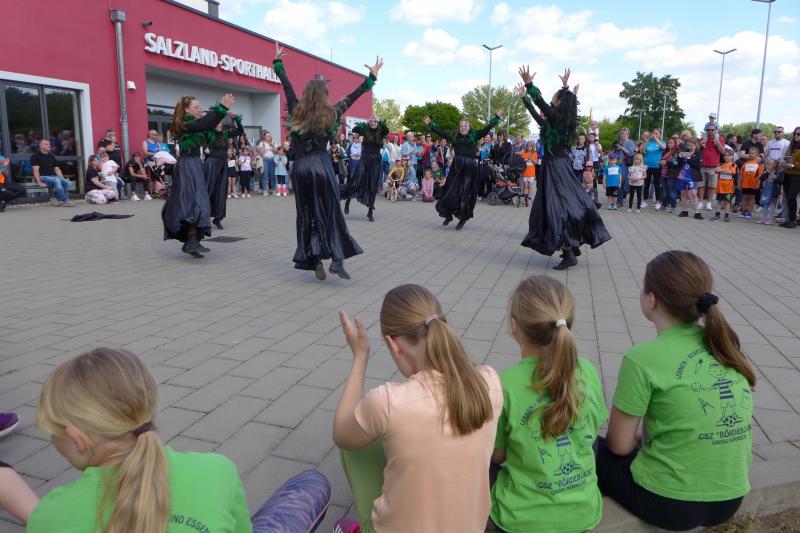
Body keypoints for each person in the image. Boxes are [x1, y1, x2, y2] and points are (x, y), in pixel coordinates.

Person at [27, 347, 332, 533]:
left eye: (51, 432)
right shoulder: (216, 470)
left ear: (76, 439)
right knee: (311, 484)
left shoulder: (50, 515)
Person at [598, 251, 756, 531]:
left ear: (651, 299)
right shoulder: (723, 345)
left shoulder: (642, 358)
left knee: (590, 447)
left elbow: (618, 446)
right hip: (730, 499)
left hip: (670, 504)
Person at [333, 284, 503, 533]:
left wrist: (360, 357)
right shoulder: (490, 380)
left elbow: (341, 434)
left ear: (393, 344)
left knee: (354, 444)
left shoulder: (388, 401)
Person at [490, 276, 607, 533]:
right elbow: (592, 431)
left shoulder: (506, 384)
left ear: (514, 326)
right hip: (583, 513)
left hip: (521, 520)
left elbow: (498, 455)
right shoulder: (587, 370)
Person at [273, 44, 381, 280]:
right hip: (321, 167)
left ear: (306, 95)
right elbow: (353, 96)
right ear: (324, 96)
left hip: (301, 169)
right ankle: (337, 259)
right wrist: (372, 77)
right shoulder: (331, 113)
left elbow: (286, 86)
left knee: (306, 213)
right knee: (331, 211)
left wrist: (278, 63)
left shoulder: (296, 110)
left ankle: (313, 259)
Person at [517, 67, 611, 269]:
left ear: (560, 102)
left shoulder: (559, 120)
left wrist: (530, 85)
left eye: (555, 97)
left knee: (555, 208)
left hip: (556, 167)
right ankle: (571, 245)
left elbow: (541, 103)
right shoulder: (557, 121)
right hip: (555, 166)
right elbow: (539, 115)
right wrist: (526, 98)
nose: (551, 99)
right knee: (558, 206)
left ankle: (569, 252)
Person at [162, 93, 234, 258]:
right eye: (196, 107)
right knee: (193, 202)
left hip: (195, 164)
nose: (199, 109)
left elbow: (208, 125)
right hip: (187, 166)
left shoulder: (195, 124)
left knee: (197, 202)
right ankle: (191, 240)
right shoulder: (182, 124)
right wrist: (222, 107)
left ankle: (192, 240)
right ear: (186, 110)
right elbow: (206, 123)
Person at [424, 111, 501, 230]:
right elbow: (442, 133)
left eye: (465, 125)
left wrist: (496, 118)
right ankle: (448, 214)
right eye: (461, 126)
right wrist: (431, 124)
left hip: (469, 169)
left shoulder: (474, 136)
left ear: (469, 127)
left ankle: (462, 218)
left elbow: (487, 128)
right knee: (450, 191)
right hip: (456, 168)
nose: (463, 127)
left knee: (465, 194)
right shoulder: (455, 137)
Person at [342, 116, 389, 221]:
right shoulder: (365, 130)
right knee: (357, 182)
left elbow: (386, 130)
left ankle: (370, 212)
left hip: (375, 161)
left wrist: (379, 121)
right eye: (371, 121)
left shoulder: (381, 131)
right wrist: (365, 124)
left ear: (377, 123)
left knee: (373, 186)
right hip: (365, 159)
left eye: (374, 121)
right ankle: (348, 200)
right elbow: (355, 129)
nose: (372, 122)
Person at [205, 112, 243, 230]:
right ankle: (202, 217)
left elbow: (240, 130)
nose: (220, 124)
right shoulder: (208, 133)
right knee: (209, 190)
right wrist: (205, 148)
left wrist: (236, 119)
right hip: (212, 164)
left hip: (223, 165)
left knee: (221, 191)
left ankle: (218, 218)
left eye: (221, 122)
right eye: (217, 123)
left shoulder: (225, 134)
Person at [31, 139, 74, 207]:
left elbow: (57, 169)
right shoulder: (35, 156)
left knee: (67, 182)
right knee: (57, 180)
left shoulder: (51, 156)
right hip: (42, 177)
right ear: (40, 146)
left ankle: (55, 198)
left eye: (49, 144)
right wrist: (39, 182)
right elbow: (35, 170)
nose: (49, 145)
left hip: (53, 177)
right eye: (46, 144)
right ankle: (65, 200)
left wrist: (62, 179)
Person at [698, 126, 724, 211]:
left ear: (715, 130)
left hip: (713, 166)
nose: (710, 131)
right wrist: (700, 143)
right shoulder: (702, 138)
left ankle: (709, 203)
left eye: (712, 129)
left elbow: (723, 152)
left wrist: (718, 143)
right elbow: (696, 150)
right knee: (701, 185)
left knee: (712, 186)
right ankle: (700, 202)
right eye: (708, 129)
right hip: (702, 166)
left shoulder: (719, 139)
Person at [676, 140, 703, 219]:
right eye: (688, 145)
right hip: (682, 175)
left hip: (692, 176)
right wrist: (679, 157)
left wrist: (688, 157)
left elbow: (697, 165)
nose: (689, 147)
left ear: (695, 145)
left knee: (693, 193)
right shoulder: (685, 152)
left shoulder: (698, 154)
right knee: (683, 193)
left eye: (691, 145)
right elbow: (678, 162)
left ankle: (697, 212)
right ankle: (685, 210)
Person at [781, 127, 800, 228]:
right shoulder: (792, 145)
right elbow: (787, 157)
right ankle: (789, 219)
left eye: (798, 134)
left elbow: (795, 162)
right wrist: (784, 162)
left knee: (792, 196)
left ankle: (793, 220)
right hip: (787, 173)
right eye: (795, 134)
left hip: (797, 175)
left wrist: (793, 165)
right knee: (788, 197)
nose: (796, 136)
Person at [711, 149, 737, 222]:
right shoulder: (720, 164)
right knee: (719, 201)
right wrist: (723, 170)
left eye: (727, 155)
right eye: (724, 155)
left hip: (728, 188)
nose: (725, 157)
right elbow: (716, 170)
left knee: (727, 202)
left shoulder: (733, 165)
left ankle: (726, 216)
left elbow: (731, 172)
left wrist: (721, 170)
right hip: (720, 187)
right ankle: (717, 215)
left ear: (732, 156)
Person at [642, 129, 665, 209]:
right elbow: (642, 151)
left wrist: (656, 139)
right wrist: (646, 141)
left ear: (660, 135)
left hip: (656, 166)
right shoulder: (649, 142)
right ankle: (644, 201)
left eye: (656, 133)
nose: (654, 134)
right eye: (654, 133)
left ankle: (658, 202)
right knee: (646, 184)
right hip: (647, 166)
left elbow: (663, 147)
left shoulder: (662, 142)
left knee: (657, 184)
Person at [738, 148, 763, 220]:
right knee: (744, 197)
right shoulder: (745, 164)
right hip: (745, 184)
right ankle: (743, 211)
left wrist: (758, 184)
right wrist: (739, 183)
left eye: (753, 153)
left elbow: (760, 176)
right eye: (750, 153)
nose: (751, 154)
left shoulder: (758, 164)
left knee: (751, 198)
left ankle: (749, 212)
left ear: (757, 155)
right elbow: (741, 174)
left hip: (753, 184)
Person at [757, 159, 781, 225]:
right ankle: (764, 219)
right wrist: (767, 173)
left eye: (769, 165)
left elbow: (781, 181)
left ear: (774, 165)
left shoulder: (777, 173)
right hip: (766, 191)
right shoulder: (766, 172)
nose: (767, 166)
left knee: (772, 206)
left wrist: (776, 178)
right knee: (765, 205)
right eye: (767, 164)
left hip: (774, 191)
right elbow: (761, 178)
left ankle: (771, 220)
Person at [659, 137, 680, 213]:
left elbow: (675, 163)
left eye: (671, 143)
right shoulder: (665, 152)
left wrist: (666, 162)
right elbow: (661, 160)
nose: (669, 144)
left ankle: (673, 206)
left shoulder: (676, 152)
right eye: (668, 143)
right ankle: (664, 205)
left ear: (675, 143)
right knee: (664, 191)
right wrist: (661, 162)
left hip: (671, 174)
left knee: (672, 192)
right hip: (663, 174)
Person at [258, 131, 277, 195]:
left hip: (272, 160)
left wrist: (273, 147)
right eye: (267, 136)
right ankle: (264, 190)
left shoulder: (273, 142)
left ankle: (273, 190)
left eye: (269, 136)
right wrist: (263, 147)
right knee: (265, 175)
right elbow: (261, 153)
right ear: (264, 137)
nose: (268, 137)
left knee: (272, 176)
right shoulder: (261, 143)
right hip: (265, 160)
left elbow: (275, 152)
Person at [520, 140, 538, 204]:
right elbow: (521, 162)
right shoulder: (523, 153)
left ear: (532, 147)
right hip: (525, 172)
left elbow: (536, 163)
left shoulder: (534, 153)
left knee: (530, 186)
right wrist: (527, 160)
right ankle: (525, 199)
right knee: (525, 186)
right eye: (528, 146)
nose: (529, 148)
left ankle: (529, 198)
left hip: (531, 173)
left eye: (530, 147)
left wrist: (531, 158)